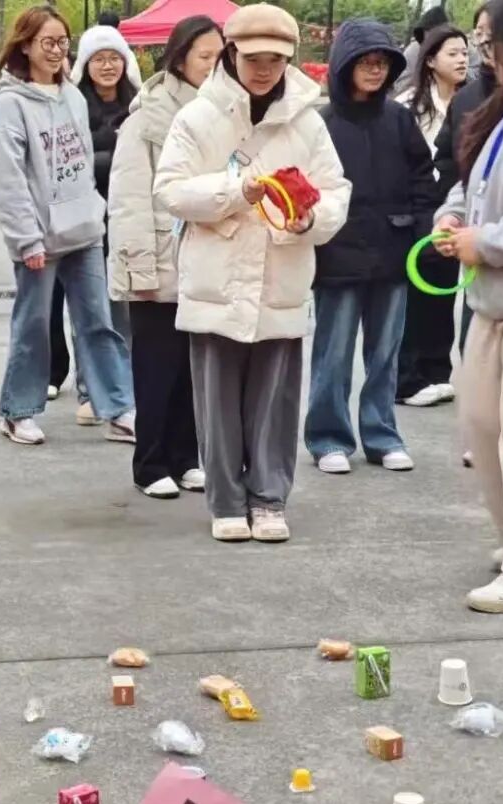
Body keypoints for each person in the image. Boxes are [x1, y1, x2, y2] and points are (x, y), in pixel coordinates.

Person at [154, 4, 351, 541]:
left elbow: (335, 191)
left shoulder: (307, 121)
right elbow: (170, 190)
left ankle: (269, 499)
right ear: (231, 54)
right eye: (253, 58)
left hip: (280, 276)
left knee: (275, 400)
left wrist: (310, 217)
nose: (264, 70)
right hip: (215, 280)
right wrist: (236, 191)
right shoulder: (197, 116)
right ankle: (225, 502)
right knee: (216, 401)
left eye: (276, 60)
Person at [0, 5, 135, 446]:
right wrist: (26, 238)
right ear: (25, 46)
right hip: (39, 238)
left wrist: (93, 211)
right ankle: (17, 411)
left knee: (99, 322)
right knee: (33, 326)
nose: (56, 51)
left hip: (84, 231)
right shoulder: (12, 104)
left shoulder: (72, 96)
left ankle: (118, 408)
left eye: (62, 42)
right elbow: (5, 177)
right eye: (47, 42)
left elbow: (83, 162)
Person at [434, 0, 503, 613]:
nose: (483, 52)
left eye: (491, 41)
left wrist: (487, 241)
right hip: (491, 299)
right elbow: (473, 179)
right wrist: (452, 217)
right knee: (484, 427)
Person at [305, 19, 439, 476]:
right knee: (333, 354)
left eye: (382, 62)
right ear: (344, 65)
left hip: (393, 251)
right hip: (337, 254)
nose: (374, 69)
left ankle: (382, 436)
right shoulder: (320, 123)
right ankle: (328, 438)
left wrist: (423, 232)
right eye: (365, 61)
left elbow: (423, 178)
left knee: (385, 354)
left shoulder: (399, 119)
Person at [107, 15, 222, 498]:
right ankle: (150, 462)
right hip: (159, 256)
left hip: (206, 257)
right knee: (157, 367)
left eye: (220, 56)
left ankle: (185, 456)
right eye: (204, 56)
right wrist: (138, 267)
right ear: (179, 59)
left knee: (195, 367)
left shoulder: (224, 110)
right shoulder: (148, 115)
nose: (214, 65)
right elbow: (129, 199)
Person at [51, 25, 139, 426]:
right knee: (89, 311)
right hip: (85, 222)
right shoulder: (72, 105)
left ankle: (122, 389)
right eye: (99, 59)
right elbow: (72, 164)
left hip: (128, 220)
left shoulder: (139, 105)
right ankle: (89, 390)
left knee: (125, 313)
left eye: (114, 58)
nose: (107, 66)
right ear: (85, 65)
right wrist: (114, 159)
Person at [394, 24, 469, 407]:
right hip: (420, 205)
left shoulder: (473, 99)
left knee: (446, 286)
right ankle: (410, 376)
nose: (462, 59)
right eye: (453, 53)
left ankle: (438, 371)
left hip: (455, 205)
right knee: (419, 293)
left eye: (465, 52)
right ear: (431, 60)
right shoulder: (410, 105)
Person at [434, 3, 495, 357]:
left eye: (494, 35)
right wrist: (452, 212)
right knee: (475, 354)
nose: (486, 44)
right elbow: (458, 168)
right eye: (480, 36)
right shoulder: (467, 98)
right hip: (478, 256)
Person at [395, 4, 449, 95]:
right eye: (428, 32)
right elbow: (401, 84)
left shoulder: (460, 47)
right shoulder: (413, 51)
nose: (431, 36)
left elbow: (472, 76)